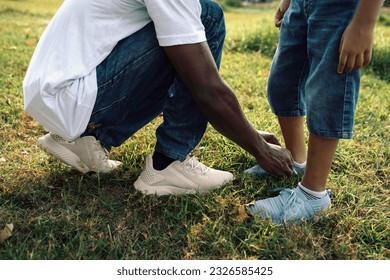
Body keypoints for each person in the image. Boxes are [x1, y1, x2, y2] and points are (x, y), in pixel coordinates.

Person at [23, 0, 294, 196]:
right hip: (73, 95)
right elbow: (205, 87)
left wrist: (246, 131)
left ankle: (86, 139)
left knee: (184, 40)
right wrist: (259, 148)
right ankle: (170, 163)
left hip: (58, 93)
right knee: (207, 17)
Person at [243, 0, 384, 223]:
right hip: (301, 4)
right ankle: (296, 161)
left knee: (327, 88)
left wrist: (363, 24)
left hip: (341, 7)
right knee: (282, 82)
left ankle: (313, 193)